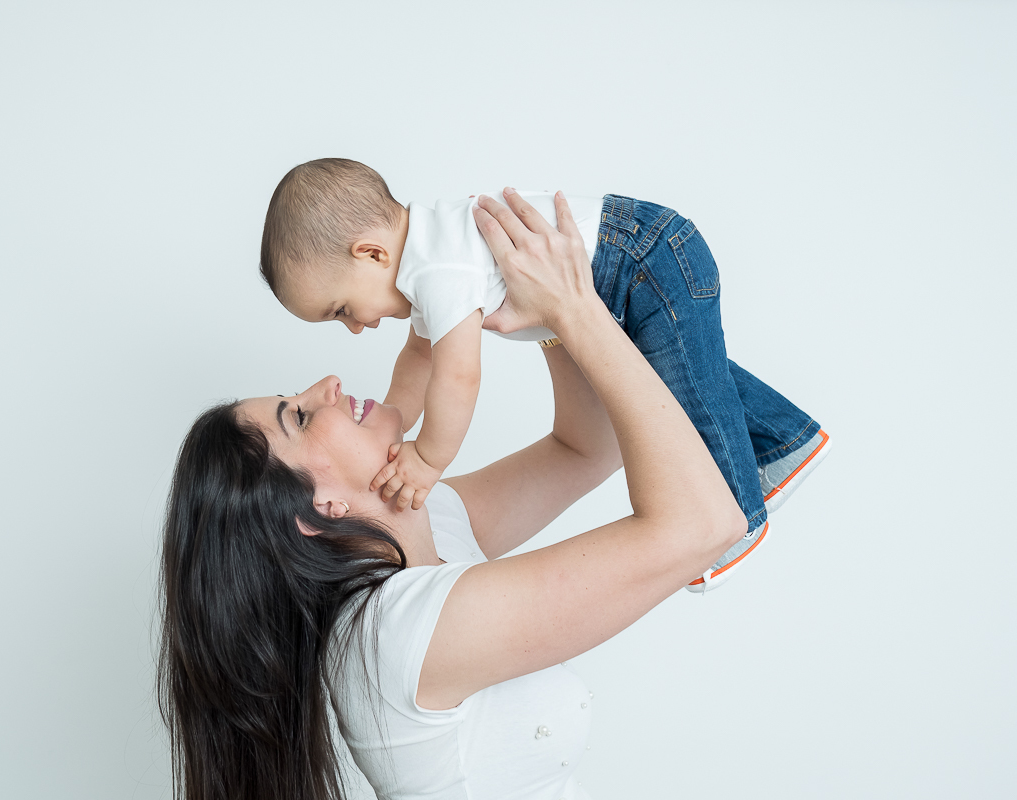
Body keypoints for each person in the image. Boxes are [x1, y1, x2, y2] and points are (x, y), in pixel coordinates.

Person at [158, 192, 781, 800]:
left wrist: (540, 315)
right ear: (318, 510)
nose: (327, 382)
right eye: (297, 416)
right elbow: (705, 525)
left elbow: (582, 450)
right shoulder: (397, 632)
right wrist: (576, 309)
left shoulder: (423, 526)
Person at [259, 159, 829, 591]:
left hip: (637, 260)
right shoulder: (429, 257)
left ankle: (738, 518)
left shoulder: (438, 270)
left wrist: (429, 458)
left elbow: (458, 377)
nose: (356, 328)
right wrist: (397, 422)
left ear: (372, 254)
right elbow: (420, 359)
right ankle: (785, 440)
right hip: (641, 254)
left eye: (340, 310)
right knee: (685, 375)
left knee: (690, 395)